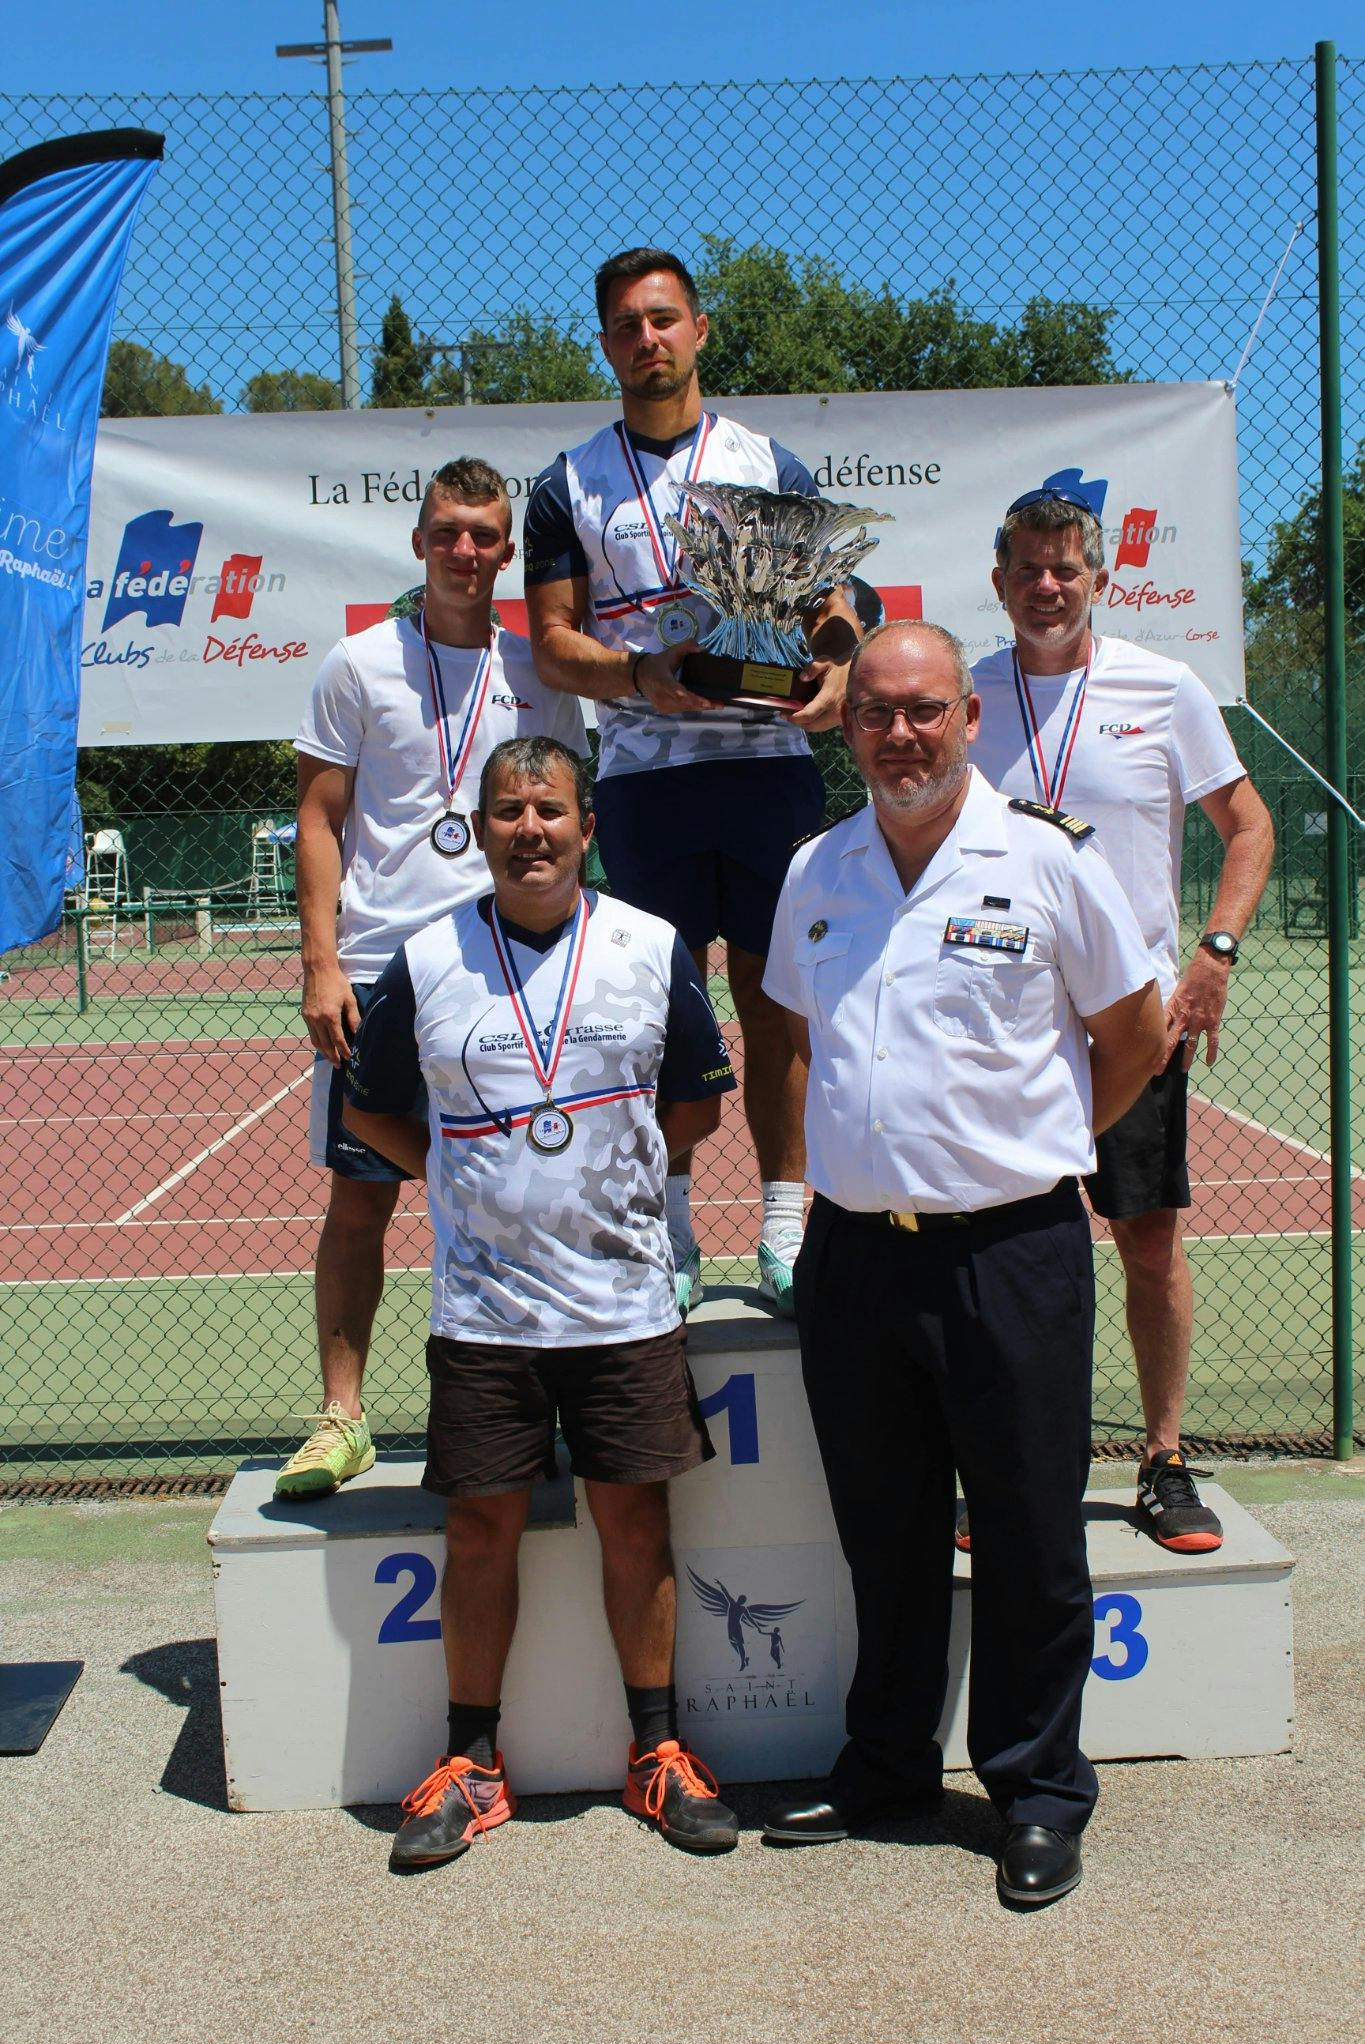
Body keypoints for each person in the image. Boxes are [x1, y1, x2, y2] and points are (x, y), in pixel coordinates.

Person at [760, 620, 1165, 1909]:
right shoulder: (815, 869)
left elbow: (1135, 1031)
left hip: (1014, 1252)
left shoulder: (1043, 861)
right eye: (875, 712)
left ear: (969, 718)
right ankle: (886, 1767)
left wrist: (1043, 1144)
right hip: (856, 1258)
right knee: (883, 1536)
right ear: (848, 725)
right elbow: (786, 1036)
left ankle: (1039, 1792)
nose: (900, 734)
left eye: (925, 710)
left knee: (1035, 1538)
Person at [342, 735, 742, 1866]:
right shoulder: (425, 958)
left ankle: (657, 1752)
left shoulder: (651, 946)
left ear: (586, 828)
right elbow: (369, 1109)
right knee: (477, 1528)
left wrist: (594, 1187)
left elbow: (697, 1108)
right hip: (485, 1313)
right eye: (510, 810)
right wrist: (468, 1180)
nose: (531, 830)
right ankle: (471, 1762)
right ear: (481, 826)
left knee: (635, 1521)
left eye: (551, 810)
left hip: (621, 1301)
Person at [523, 246, 859, 1318]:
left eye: (663, 319)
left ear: (700, 329)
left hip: (766, 768)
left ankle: (781, 1225)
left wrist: (842, 664)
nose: (647, 340)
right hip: (644, 776)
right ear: (606, 343)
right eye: (626, 325)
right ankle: (667, 1228)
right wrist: (637, 676)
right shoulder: (567, 483)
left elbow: (834, 600)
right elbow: (551, 644)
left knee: (776, 1010)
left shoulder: (768, 463)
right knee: (658, 1016)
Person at [970, 485, 1275, 1552]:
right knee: (999, 1245)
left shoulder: (1166, 685)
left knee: (1147, 1238)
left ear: (1098, 575)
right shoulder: (965, 701)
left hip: (1131, 1020)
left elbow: (1248, 826)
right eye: (1029, 568)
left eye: (1068, 566)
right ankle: (1012, 1462)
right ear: (1000, 580)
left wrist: (1217, 949)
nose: (1048, 585)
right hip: (1004, 1021)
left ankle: (1162, 1455)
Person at [276, 459, 586, 1500]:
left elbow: (567, 817)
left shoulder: (539, 670)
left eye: (485, 534)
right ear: (419, 542)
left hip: (504, 966)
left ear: (508, 551)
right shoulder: (358, 664)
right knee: (361, 1199)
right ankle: (343, 1416)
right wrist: (320, 962)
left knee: (515, 1198)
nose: (466, 550)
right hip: (378, 969)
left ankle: (524, 1411)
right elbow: (320, 820)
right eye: (448, 530)